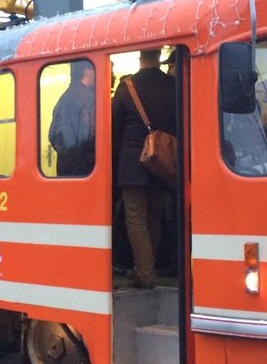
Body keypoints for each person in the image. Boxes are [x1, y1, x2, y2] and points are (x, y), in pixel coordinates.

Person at [111, 49, 176, 289]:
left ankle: (144, 273)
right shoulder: (172, 85)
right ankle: (149, 268)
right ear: (159, 57)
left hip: (132, 161)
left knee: (136, 218)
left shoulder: (128, 85)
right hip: (162, 158)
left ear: (140, 59)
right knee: (154, 217)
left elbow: (114, 123)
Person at [48, 60, 96, 176]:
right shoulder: (89, 98)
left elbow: (53, 135)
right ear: (87, 71)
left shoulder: (63, 98)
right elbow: (91, 136)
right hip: (85, 171)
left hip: (64, 168)